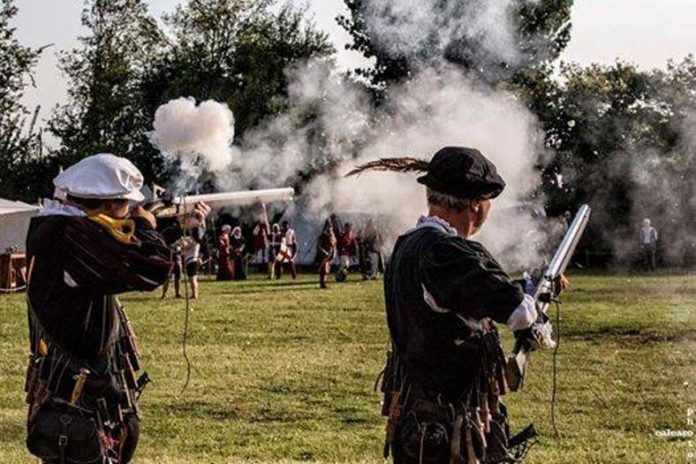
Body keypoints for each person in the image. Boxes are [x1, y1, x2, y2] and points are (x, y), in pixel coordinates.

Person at [347, 147, 568, 464]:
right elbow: (519, 313)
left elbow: (465, 295)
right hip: (448, 422)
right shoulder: (448, 252)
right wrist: (531, 296)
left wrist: (532, 287)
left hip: (419, 416)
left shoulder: (409, 244)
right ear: (477, 207)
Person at [23, 154, 176, 464]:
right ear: (107, 206)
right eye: (125, 206)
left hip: (85, 382)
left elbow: (122, 254)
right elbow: (150, 269)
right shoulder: (67, 233)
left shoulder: (62, 226)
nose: (129, 213)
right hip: (77, 387)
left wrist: (166, 227)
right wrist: (147, 228)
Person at [317, 219, 337, 289]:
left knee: (327, 269)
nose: (330, 228)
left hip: (330, 254)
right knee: (323, 270)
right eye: (329, 226)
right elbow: (319, 246)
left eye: (331, 227)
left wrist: (333, 253)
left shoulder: (332, 235)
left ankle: (324, 283)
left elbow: (334, 244)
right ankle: (322, 284)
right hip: (324, 254)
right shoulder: (322, 236)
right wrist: (324, 252)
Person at [251, 204, 270, 270]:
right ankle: (260, 267)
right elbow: (254, 233)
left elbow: (267, 232)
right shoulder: (258, 225)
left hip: (264, 242)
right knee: (260, 255)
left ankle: (264, 266)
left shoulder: (264, 224)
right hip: (259, 242)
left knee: (265, 255)